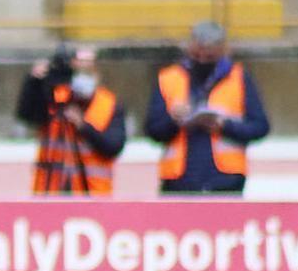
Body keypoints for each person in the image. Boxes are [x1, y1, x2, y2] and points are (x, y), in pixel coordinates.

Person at [146, 21, 270, 194]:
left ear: (223, 50)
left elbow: (260, 127)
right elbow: (152, 130)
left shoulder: (239, 78)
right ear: (189, 48)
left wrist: (225, 126)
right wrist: (174, 120)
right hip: (179, 181)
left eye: (209, 57)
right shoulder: (168, 78)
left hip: (226, 181)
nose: (202, 60)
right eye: (197, 55)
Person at [16, 45, 126, 195]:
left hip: (92, 193)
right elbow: (27, 114)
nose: (82, 72)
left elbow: (113, 146)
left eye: (87, 66)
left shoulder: (108, 104)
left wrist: (83, 126)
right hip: (50, 191)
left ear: (96, 70)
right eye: (78, 66)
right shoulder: (55, 99)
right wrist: (33, 84)